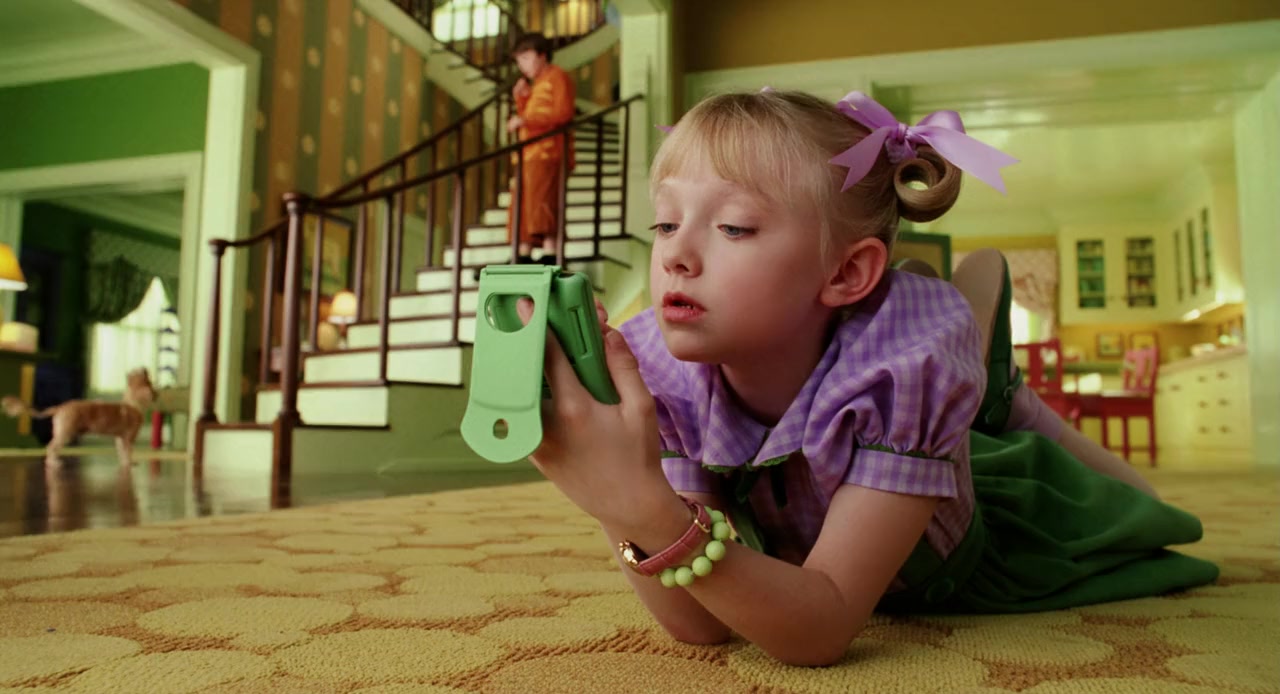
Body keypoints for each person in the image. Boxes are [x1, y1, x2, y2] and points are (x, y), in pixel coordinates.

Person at [515, 88, 1218, 667]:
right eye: (666, 224)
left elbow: (821, 626)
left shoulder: (901, 376)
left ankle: (995, 394)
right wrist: (615, 493)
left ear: (848, 272)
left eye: (733, 228)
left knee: (1140, 511)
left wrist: (644, 508)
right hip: (830, 471)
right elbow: (701, 625)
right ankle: (980, 377)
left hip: (953, 551)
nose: (675, 256)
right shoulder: (664, 374)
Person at [506, 32, 576, 265]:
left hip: (548, 153)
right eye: (519, 61)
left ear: (542, 55)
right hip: (530, 154)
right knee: (524, 204)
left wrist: (524, 120)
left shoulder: (557, 77)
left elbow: (562, 114)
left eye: (526, 58)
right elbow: (532, 117)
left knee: (543, 201)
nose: (522, 66)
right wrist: (522, 100)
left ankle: (550, 252)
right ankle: (523, 252)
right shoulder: (537, 84)